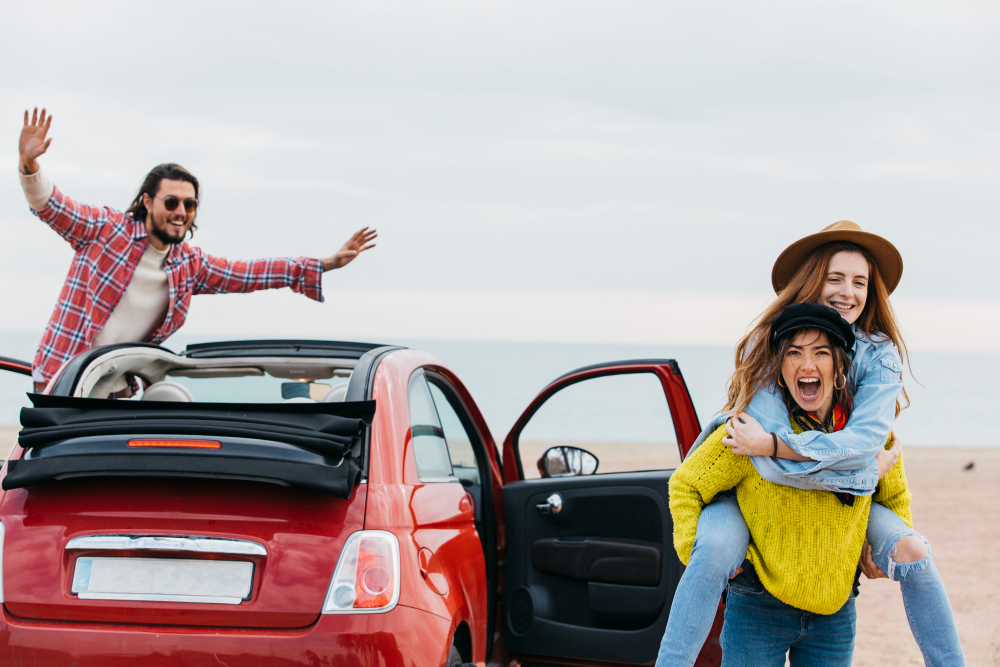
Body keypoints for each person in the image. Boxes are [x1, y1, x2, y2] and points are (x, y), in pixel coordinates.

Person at [655, 222, 964, 667]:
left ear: (842, 364)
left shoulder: (874, 364)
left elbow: (885, 479)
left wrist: (868, 536)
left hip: (832, 604)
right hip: (760, 589)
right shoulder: (758, 398)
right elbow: (713, 474)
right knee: (717, 546)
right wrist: (860, 474)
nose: (847, 291)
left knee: (914, 550)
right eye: (835, 278)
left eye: (859, 281)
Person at [17, 108, 377, 392]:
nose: (180, 212)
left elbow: (250, 273)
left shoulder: (188, 265)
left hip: (118, 389)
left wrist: (326, 264)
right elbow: (52, 205)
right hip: (63, 381)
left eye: (189, 205)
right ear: (148, 200)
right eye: (171, 202)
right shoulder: (105, 230)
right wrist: (30, 165)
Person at [669, 302, 911, 666]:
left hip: (835, 614)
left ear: (839, 366)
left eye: (821, 352)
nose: (807, 364)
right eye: (794, 353)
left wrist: (879, 550)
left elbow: (895, 498)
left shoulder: (867, 438)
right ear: (780, 371)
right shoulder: (752, 432)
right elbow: (686, 484)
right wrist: (697, 552)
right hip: (756, 610)